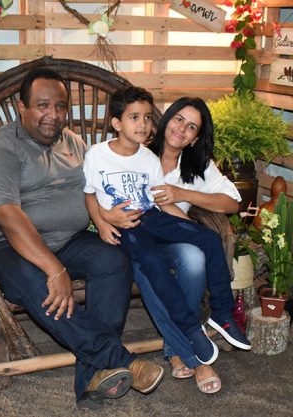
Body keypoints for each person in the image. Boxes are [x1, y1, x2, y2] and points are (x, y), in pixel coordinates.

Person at [0, 68, 164, 410]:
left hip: (69, 239)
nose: (53, 114)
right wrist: (54, 269)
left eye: (60, 106)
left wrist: (108, 217)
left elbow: (96, 191)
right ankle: (120, 359)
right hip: (9, 246)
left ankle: (90, 380)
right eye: (43, 105)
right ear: (22, 107)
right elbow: (9, 219)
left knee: (113, 260)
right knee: (38, 282)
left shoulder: (74, 143)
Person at [87, 90, 250, 394]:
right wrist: (104, 219)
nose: (181, 129)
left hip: (166, 231)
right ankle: (191, 354)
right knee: (151, 266)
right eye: (178, 119)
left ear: (195, 138)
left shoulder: (195, 165)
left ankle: (214, 320)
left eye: (191, 127)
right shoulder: (136, 146)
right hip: (132, 233)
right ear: (165, 120)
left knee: (194, 255)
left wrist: (184, 197)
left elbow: (231, 202)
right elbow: (93, 192)